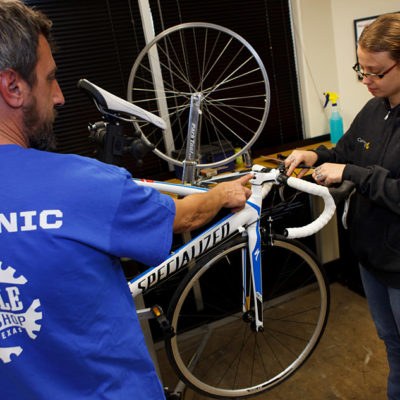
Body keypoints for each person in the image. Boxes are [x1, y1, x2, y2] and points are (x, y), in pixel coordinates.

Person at [0, 1, 252, 399]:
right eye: (50, 80)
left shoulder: (92, 189)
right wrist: (222, 192)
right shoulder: (84, 185)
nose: (61, 96)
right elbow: (186, 217)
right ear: (13, 87)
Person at [284, 12, 400, 400]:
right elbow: (344, 151)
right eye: (361, 69)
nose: (366, 81)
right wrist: (314, 156)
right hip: (371, 256)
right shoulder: (374, 107)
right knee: (391, 341)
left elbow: (375, 179)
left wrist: (352, 171)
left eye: (376, 72)